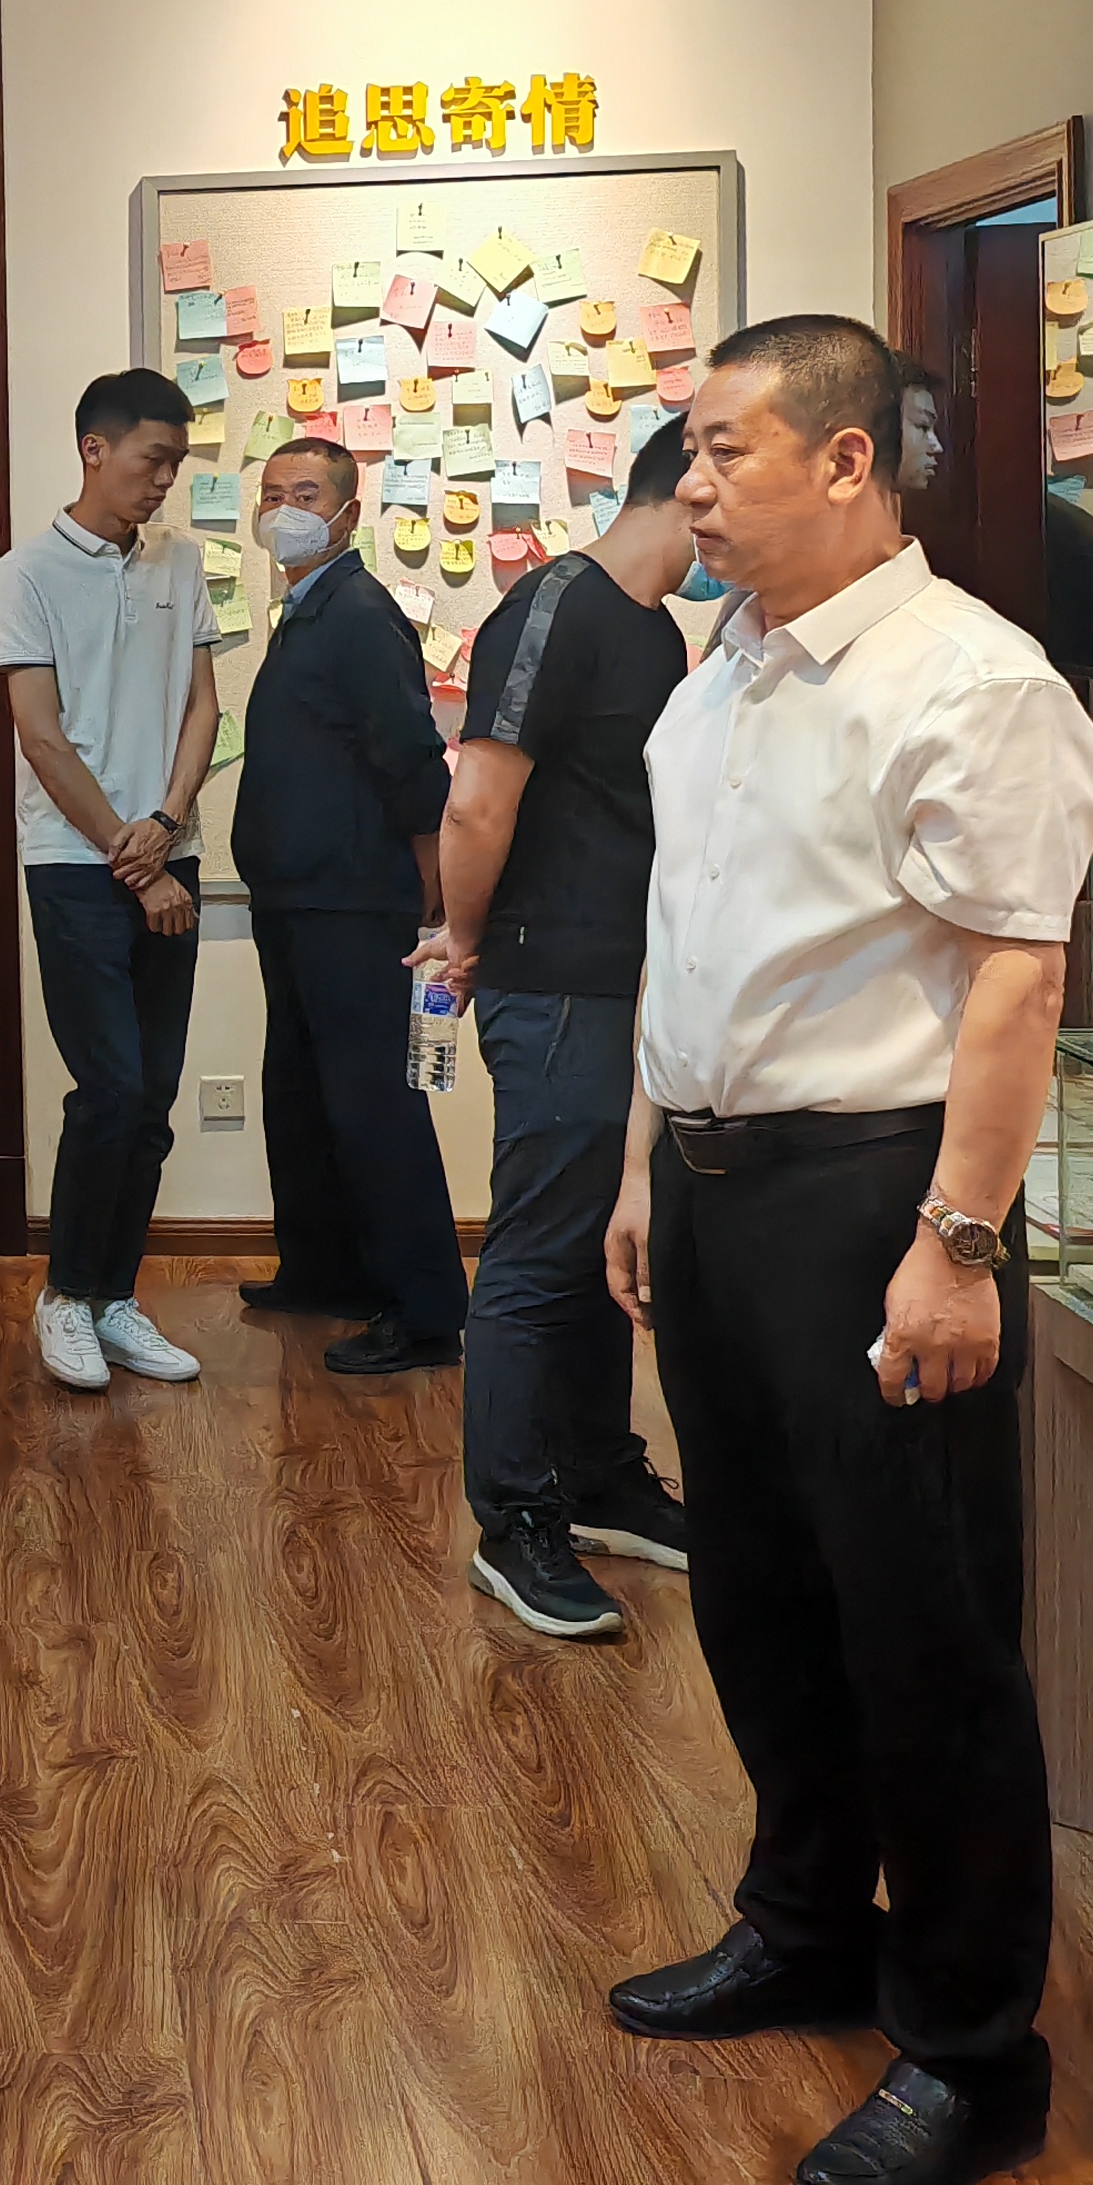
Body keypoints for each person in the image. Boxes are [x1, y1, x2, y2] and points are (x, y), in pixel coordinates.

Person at [602, 314, 1093, 2185]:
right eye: (686, 450)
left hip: (879, 1193)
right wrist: (649, 1164)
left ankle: (973, 2051)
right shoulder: (722, 671)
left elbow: (1016, 978)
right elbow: (689, 935)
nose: (691, 487)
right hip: (718, 1185)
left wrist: (956, 1246)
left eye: (724, 450)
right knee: (758, 1586)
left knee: (924, 1621)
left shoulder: (968, 678)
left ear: (845, 460)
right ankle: (807, 1920)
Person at [416, 421, 699, 1640]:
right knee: (539, 1252)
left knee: (602, 1243)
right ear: (689, 482)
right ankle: (514, 1518)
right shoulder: (554, 605)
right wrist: (463, 938)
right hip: (555, 981)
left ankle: (596, 1475)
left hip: (635, 981)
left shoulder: (656, 629)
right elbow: (477, 803)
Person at [0, 369, 219, 1393]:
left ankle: (115, 1297)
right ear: (95, 449)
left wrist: (164, 827)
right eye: (152, 459)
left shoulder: (183, 559)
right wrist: (133, 858)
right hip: (75, 866)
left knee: (154, 1096)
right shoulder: (26, 571)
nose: (165, 480)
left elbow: (203, 707)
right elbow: (39, 735)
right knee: (111, 1089)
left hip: (171, 851)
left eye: (176, 463)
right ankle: (66, 1295)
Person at [230, 436, 466, 1375]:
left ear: (347, 514)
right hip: (294, 898)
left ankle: (424, 1310)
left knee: (373, 1103)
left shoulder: (362, 614)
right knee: (298, 1094)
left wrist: (433, 881)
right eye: (272, 493)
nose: (283, 511)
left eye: (305, 494)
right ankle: (324, 1269)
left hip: (352, 902)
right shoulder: (304, 610)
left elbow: (411, 756)